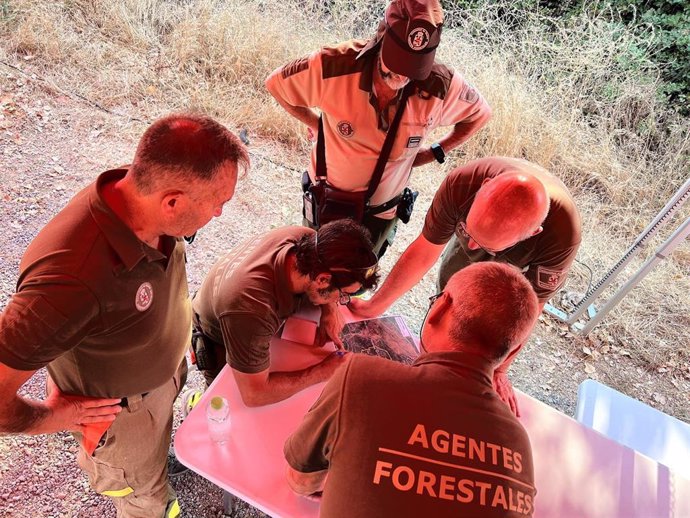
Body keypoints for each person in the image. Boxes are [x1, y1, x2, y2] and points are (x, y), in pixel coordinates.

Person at [0, 114, 249, 518]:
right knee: (143, 493)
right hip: (123, 415)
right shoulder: (70, 278)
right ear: (173, 201)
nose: (219, 213)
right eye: (218, 203)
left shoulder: (141, 201)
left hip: (161, 381)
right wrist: (57, 416)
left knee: (159, 447)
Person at [284, 262, 541, 517]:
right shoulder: (519, 444)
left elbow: (301, 481)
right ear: (513, 351)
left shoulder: (362, 378)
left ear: (439, 308)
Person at [350, 156, 582, 414]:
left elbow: (530, 307)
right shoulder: (462, 183)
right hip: (488, 227)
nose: (471, 249)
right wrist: (375, 305)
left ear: (533, 233)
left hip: (517, 266)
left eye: (482, 246)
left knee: (488, 327)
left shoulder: (562, 233)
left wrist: (499, 369)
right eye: (468, 233)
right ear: (483, 186)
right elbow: (425, 251)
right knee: (450, 304)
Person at [265, 0, 491, 256]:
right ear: (381, 36)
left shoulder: (438, 84)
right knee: (312, 263)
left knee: (358, 279)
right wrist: (317, 124)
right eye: (397, 61)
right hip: (326, 203)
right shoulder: (337, 64)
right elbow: (277, 84)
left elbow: (480, 114)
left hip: (379, 216)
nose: (402, 76)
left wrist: (436, 151)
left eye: (414, 66)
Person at [190, 219, 379, 407]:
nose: (340, 301)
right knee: (224, 402)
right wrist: (322, 371)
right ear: (322, 280)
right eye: (343, 295)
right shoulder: (253, 309)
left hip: (234, 310)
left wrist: (329, 309)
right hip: (217, 336)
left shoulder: (306, 239)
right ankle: (197, 404)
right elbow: (255, 395)